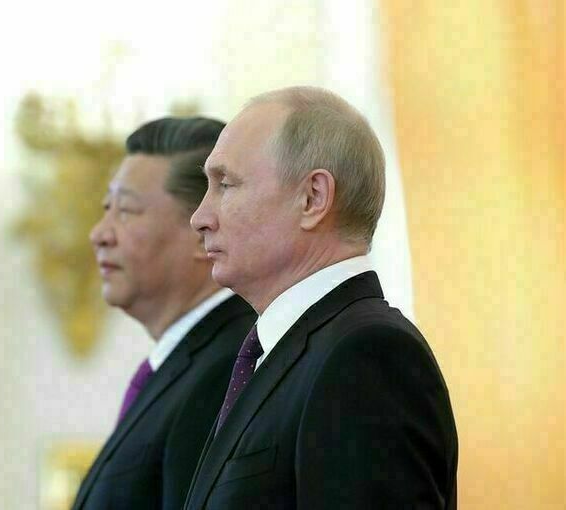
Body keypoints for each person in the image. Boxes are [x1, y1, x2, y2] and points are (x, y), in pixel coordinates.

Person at [184, 87, 458, 509]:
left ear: (313, 198)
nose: (199, 217)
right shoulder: (287, 354)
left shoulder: (367, 356)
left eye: (226, 184)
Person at [72, 117, 256, 510]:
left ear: (202, 233)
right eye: (106, 208)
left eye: (126, 210)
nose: (99, 233)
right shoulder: (186, 364)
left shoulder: (230, 367)